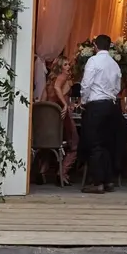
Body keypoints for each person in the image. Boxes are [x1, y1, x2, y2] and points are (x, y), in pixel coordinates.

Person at [79, 34, 125, 194]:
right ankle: (108, 181)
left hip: (96, 105)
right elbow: (117, 88)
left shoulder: (93, 61)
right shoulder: (114, 64)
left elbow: (86, 84)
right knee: (107, 143)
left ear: (95, 46)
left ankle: (97, 182)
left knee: (95, 144)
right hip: (111, 106)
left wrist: (83, 100)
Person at [46, 56, 79, 184]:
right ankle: (62, 172)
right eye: (65, 64)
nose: (68, 67)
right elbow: (57, 87)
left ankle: (42, 171)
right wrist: (65, 105)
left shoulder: (49, 82)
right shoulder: (62, 77)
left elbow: (43, 101)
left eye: (68, 64)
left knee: (48, 145)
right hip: (63, 116)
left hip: (51, 119)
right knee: (75, 144)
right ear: (60, 67)